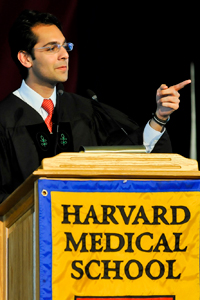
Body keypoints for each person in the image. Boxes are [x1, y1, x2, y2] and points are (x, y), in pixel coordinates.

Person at [0, 10, 191, 203]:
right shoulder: (4, 119)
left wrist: (159, 117)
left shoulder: (85, 111)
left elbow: (126, 155)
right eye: (51, 48)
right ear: (25, 58)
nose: (65, 55)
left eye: (65, 46)